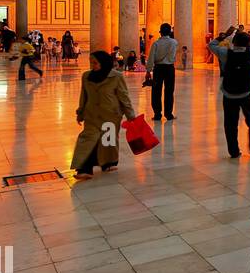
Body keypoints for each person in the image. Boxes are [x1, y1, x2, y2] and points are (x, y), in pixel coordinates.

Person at [71, 50, 138, 179]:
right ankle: (84, 168)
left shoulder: (116, 77)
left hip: (111, 115)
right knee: (88, 141)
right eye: (91, 63)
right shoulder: (86, 76)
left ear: (103, 62)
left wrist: (131, 115)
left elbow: (124, 97)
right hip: (92, 115)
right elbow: (83, 96)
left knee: (108, 141)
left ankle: (108, 163)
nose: (92, 66)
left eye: (95, 63)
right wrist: (80, 112)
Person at [209, 27, 250, 158]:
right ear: (248, 43)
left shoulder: (225, 53)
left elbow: (211, 44)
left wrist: (224, 35)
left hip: (229, 94)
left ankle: (233, 151)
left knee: (230, 124)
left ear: (234, 42)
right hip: (246, 93)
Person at [145, 22, 178, 121]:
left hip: (158, 68)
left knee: (156, 91)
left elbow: (151, 57)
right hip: (169, 69)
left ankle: (157, 114)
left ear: (160, 32)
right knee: (169, 91)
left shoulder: (156, 43)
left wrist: (148, 71)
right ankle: (168, 114)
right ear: (170, 32)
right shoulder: (174, 42)